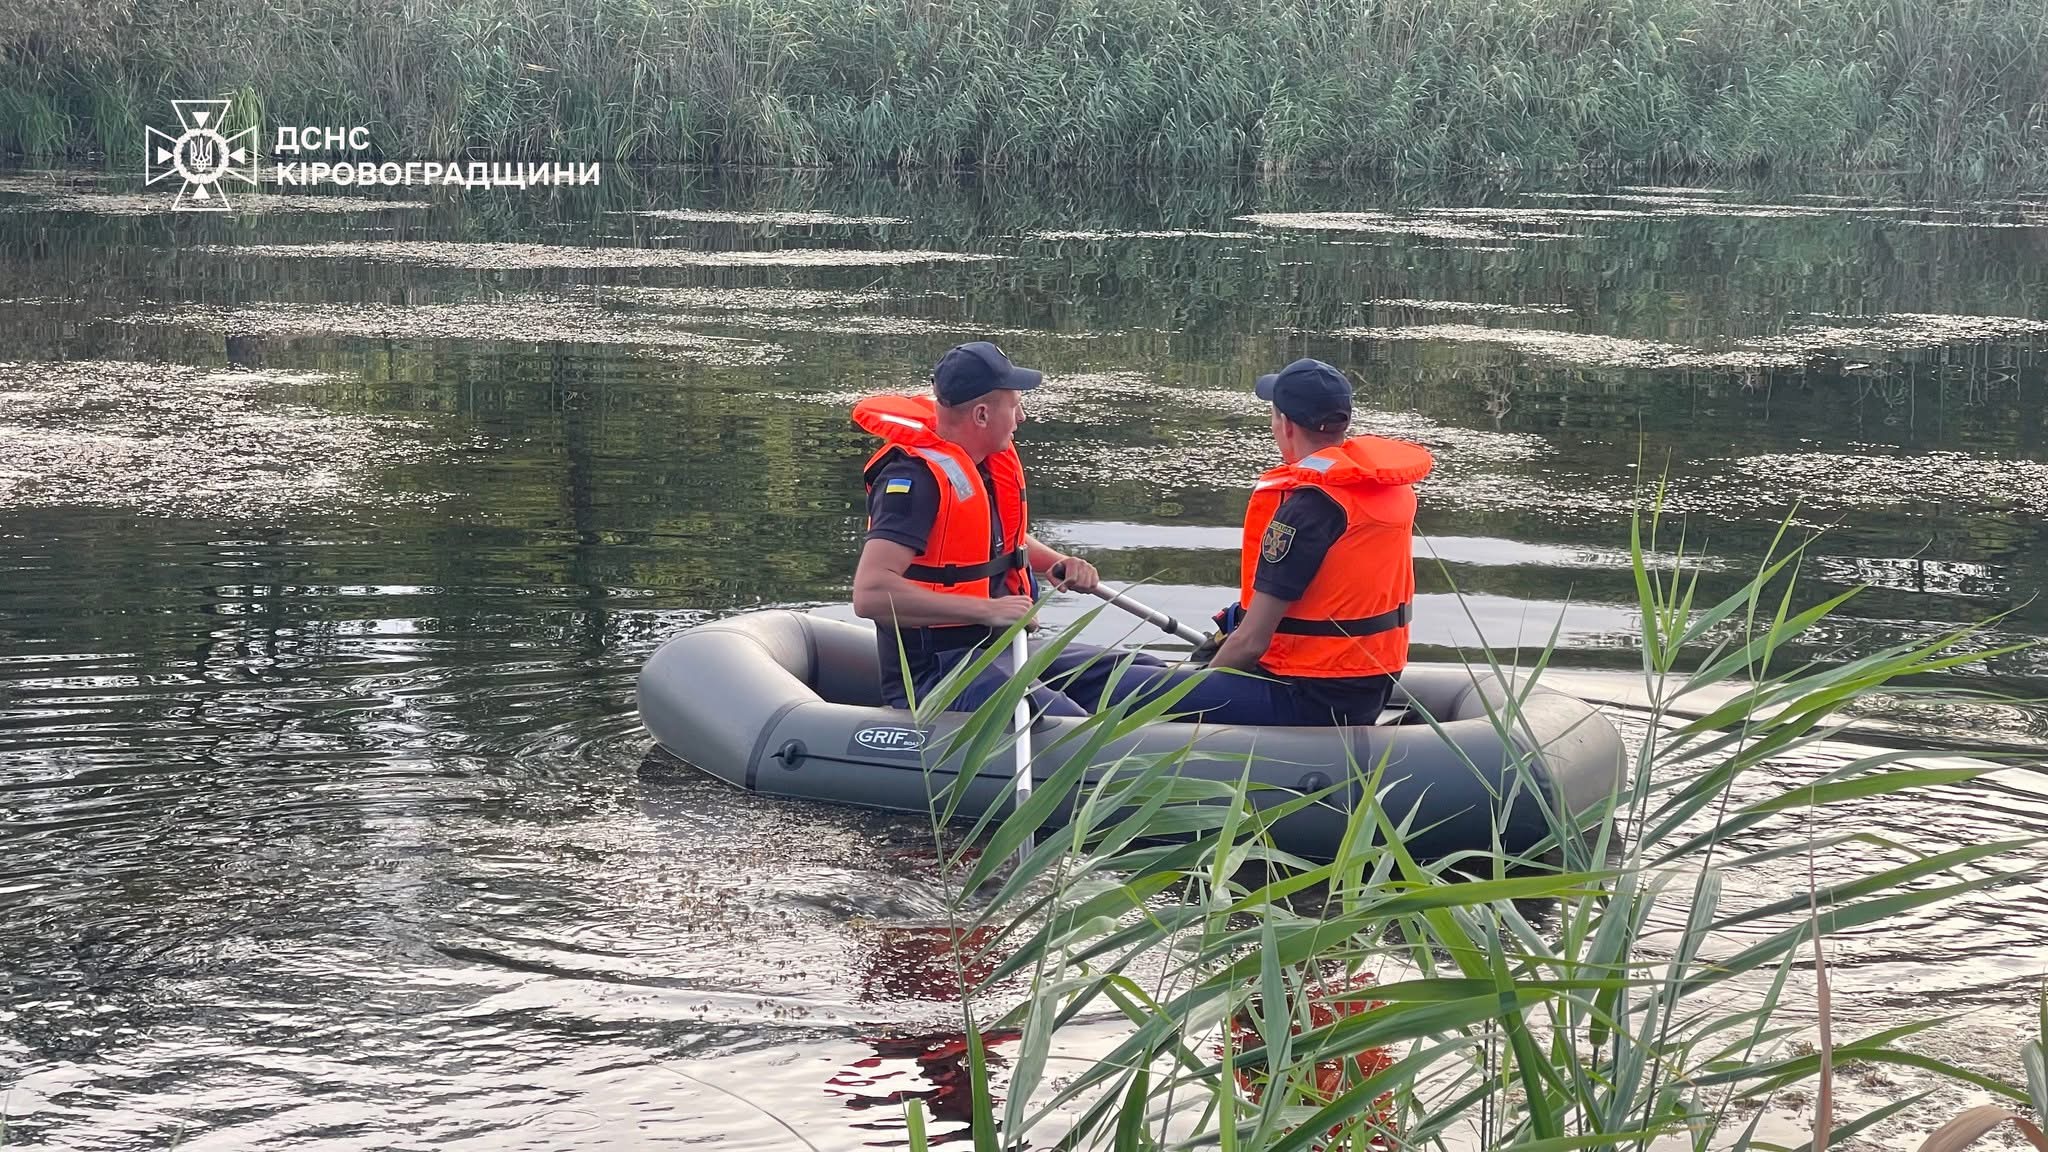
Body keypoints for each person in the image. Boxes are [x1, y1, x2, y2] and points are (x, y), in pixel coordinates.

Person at [851, 341, 1159, 716]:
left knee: (1137, 673)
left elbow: (990, 541)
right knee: (1074, 729)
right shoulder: (913, 483)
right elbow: (871, 594)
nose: (1022, 418)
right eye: (1015, 406)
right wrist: (988, 609)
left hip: (999, 650)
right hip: (938, 673)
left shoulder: (977, 464)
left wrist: (1056, 562)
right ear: (981, 415)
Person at [1122, 358, 1434, 726]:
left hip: (1309, 697)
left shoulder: (1306, 510)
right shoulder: (1382, 489)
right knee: (1136, 668)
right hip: (1365, 686)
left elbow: (1251, 643)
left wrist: (1195, 690)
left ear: (1285, 425)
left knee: (1104, 683)